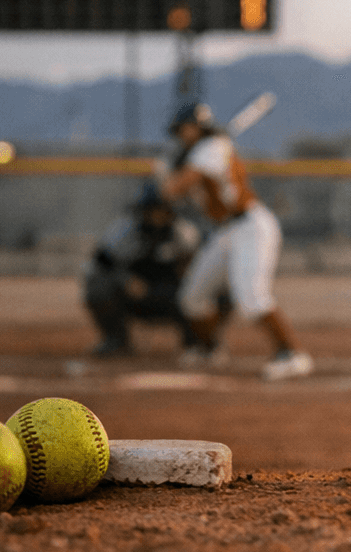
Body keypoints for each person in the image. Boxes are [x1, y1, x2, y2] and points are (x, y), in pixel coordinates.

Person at [160, 101, 314, 381]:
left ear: (196, 127)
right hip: (226, 232)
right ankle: (210, 349)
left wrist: (173, 167)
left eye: (183, 130)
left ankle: (292, 354)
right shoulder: (199, 151)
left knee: (252, 298)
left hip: (251, 227)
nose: (180, 135)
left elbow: (174, 189)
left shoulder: (212, 147)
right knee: (192, 297)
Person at [82, 182, 202, 357]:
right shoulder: (123, 232)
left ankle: (198, 342)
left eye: (163, 210)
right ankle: (116, 340)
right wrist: (125, 280)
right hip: (135, 296)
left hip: (173, 296)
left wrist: (186, 275)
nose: (158, 216)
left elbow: (202, 267)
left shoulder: (185, 233)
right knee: (97, 284)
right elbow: (98, 265)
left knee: (213, 288)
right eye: (153, 210)